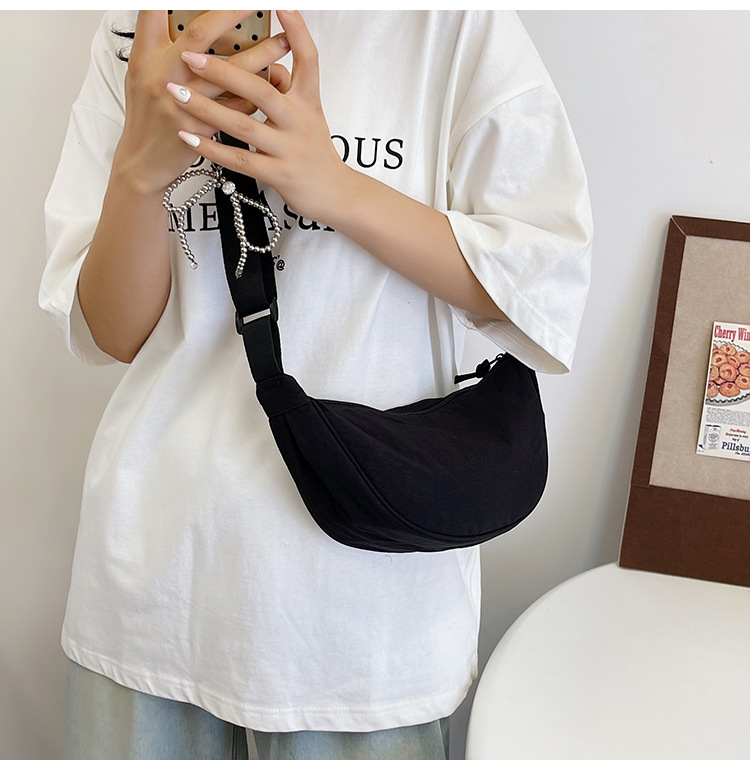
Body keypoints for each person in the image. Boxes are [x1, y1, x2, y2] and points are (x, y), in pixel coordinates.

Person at [41, 10, 592, 760]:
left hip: (366, 619)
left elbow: (542, 287)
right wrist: (141, 170)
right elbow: (114, 332)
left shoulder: (452, 24)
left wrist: (335, 188)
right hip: (154, 594)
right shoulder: (138, 31)